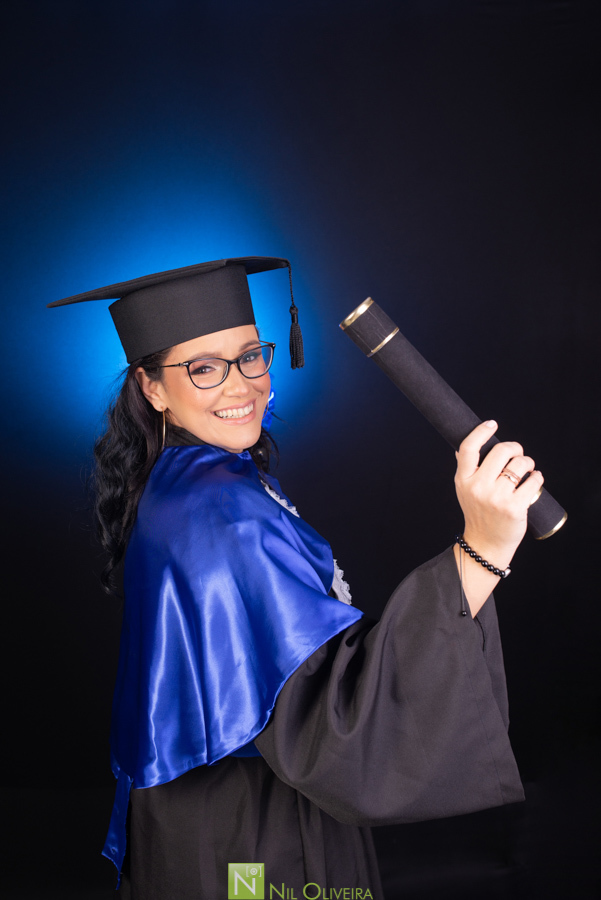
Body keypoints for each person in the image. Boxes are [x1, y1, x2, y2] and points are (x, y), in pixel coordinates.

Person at [50, 256, 543, 900]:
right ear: (152, 388)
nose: (241, 386)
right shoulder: (221, 512)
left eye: (251, 356)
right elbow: (330, 715)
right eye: (204, 368)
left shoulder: (185, 477)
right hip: (249, 835)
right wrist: (483, 546)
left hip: (199, 810)